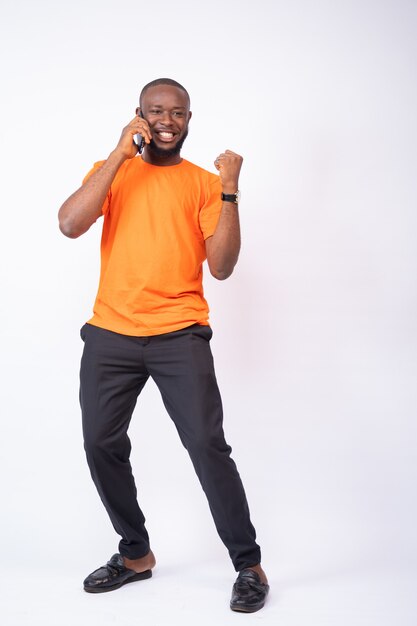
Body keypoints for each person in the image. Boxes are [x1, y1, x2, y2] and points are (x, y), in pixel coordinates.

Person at [58, 78, 269, 613]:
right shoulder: (115, 172)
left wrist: (229, 188)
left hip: (180, 333)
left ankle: (248, 563)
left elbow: (221, 267)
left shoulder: (202, 183)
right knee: (100, 445)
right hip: (112, 333)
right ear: (139, 115)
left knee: (205, 445)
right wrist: (115, 152)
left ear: (190, 118)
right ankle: (135, 555)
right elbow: (70, 223)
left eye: (177, 112)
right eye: (156, 112)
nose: (166, 121)